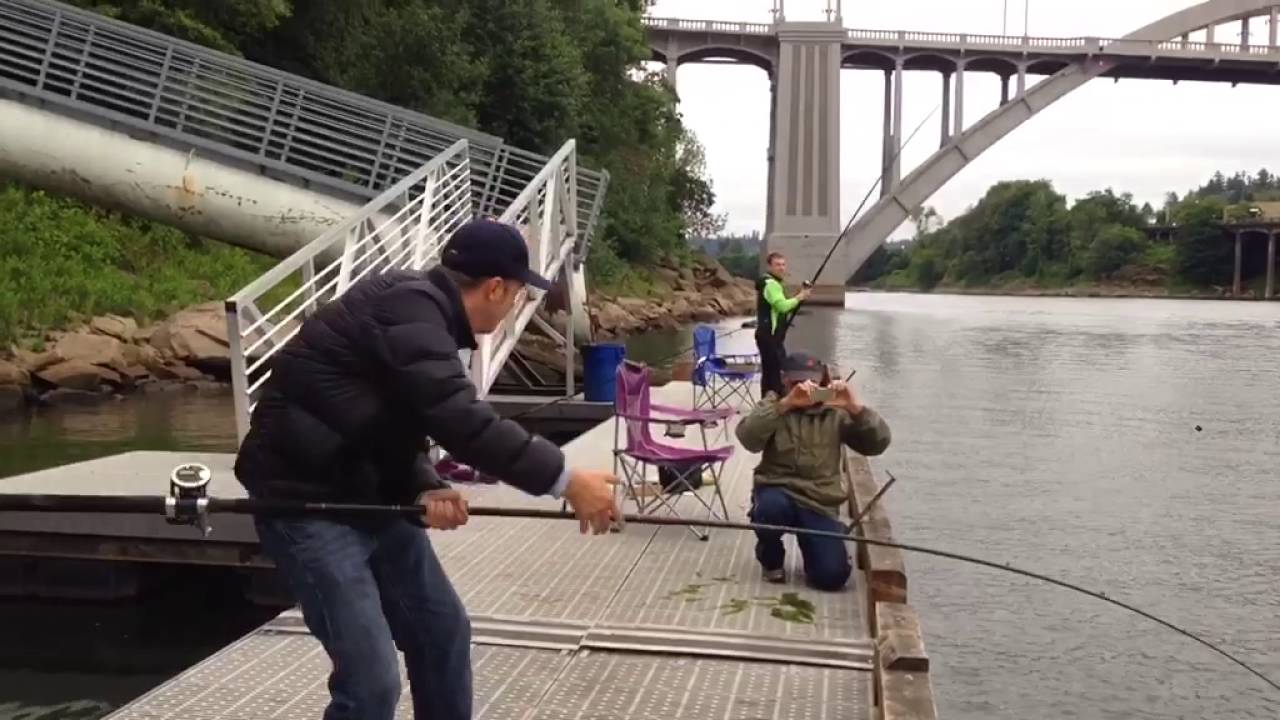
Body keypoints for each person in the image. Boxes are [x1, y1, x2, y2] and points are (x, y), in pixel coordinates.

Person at [233, 218, 619, 720]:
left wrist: (422, 484)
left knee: (442, 633)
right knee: (372, 683)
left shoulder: (421, 315)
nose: (516, 306)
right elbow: (461, 420)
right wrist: (566, 479)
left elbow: (385, 421)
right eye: (519, 294)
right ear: (495, 288)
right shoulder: (412, 312)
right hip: (306, 505)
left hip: (368, 494)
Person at [735, 351, 891, 591]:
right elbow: (748, 439)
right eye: (797, 383)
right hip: (777, 490)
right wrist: (785, 405)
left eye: (811, 382)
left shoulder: (836, 411)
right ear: (785, 380)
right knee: (769, 509)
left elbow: (877, 444)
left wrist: (855, 409)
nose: (806, 389)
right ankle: (771, 557)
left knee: (831, 577)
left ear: (822, 381)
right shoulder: (773, 405)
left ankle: (822, 548)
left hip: (820, 500)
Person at [754, 251, 811, 398]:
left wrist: (798, 297)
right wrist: (800, 297)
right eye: (777, 265)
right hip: (769, 336)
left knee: (770, 372)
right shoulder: (771, 284)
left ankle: (767, 401)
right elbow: (782, 307)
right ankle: (774, 402)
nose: (781, 268)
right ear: (769, 267)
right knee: (775, 373)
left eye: (783, 265)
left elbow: (780, 308)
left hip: (770, 336)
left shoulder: (773, 283)